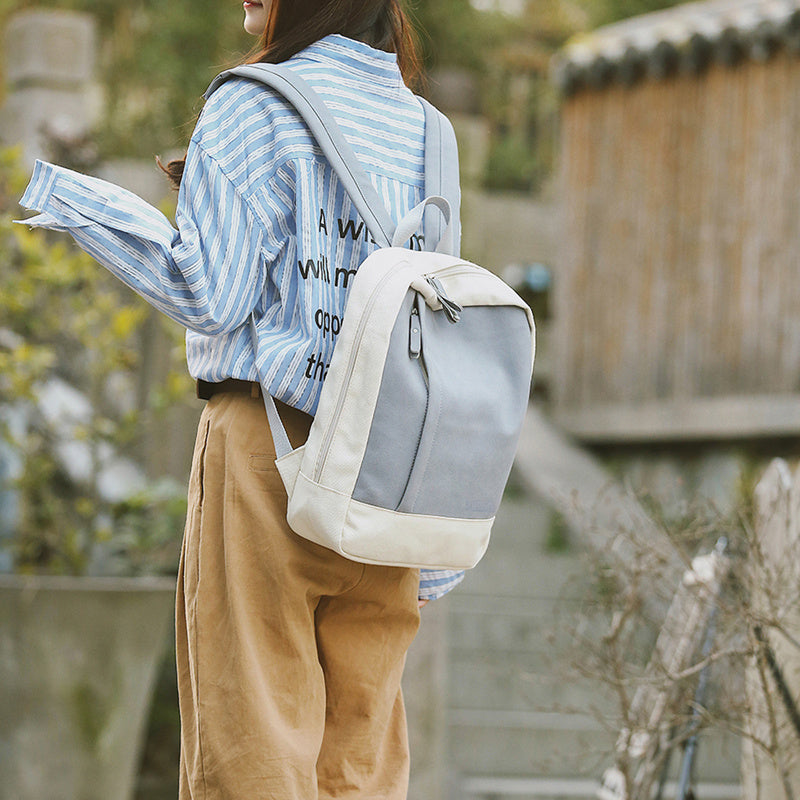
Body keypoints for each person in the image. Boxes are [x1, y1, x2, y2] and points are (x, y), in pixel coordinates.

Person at [18, 0, 465, 797]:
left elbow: (211, 295)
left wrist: (72, 203)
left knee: (251, 752)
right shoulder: (431, 132)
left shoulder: (254, 103)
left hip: (271, 454)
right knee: (360, 765)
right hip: (388, 469)